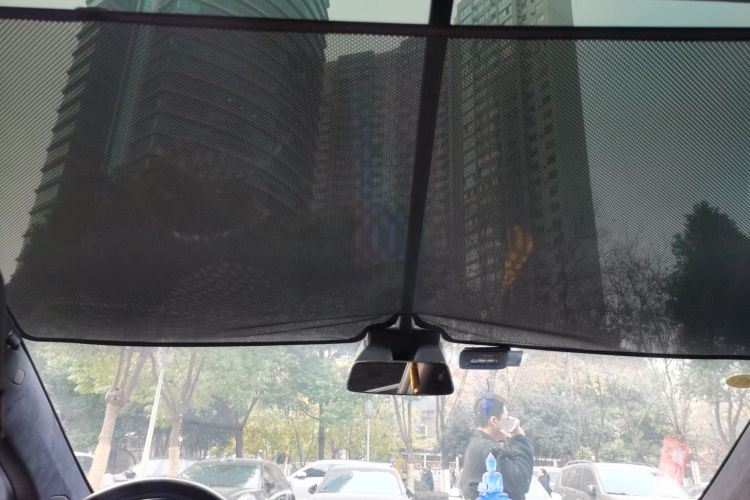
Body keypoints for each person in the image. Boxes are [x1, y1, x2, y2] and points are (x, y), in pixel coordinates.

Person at [460, 394, 533, 500]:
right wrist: (518, 437)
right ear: (494, 421)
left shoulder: (476, 446)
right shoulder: (490, 450)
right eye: (506, 418)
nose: (509, 421)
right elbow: (521, 480)